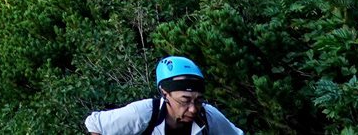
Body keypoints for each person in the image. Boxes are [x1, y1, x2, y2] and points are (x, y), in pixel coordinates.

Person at [84, 56, 243, 135]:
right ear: (165, 93)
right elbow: (96, 125)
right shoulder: (142, 114)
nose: (193, 109)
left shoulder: (209, 116)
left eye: (199, 100)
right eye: (185, 100)